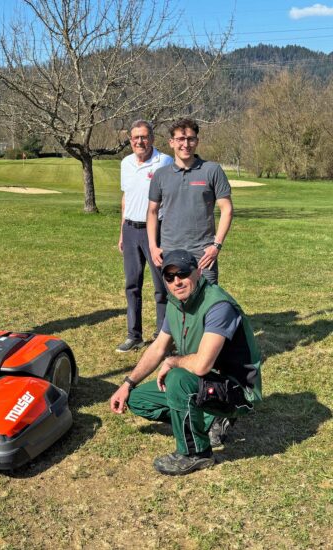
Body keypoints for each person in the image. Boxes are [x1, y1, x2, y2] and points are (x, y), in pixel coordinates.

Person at [109, 249, 262, 476]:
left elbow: (201, 365)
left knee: (178, 379)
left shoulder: (218, 306)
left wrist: (173, 361)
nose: (177, 281)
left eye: (182, 273)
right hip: (203, 383)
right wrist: (127, 384)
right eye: (169, 277)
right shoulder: (176, 304)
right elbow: (158, 347)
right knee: (138, 399)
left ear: (198, 272)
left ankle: (196, 453)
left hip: (237, 390)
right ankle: (209, 419)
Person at [147, 118, 233, 284]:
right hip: (170, 251)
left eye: (190, 139)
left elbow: (227, 210)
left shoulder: (212, 170)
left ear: (197, 141)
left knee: (207, 297)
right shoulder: (160, 175)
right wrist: (153, 246)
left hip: (203, 253)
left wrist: (216, 245)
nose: (186, 144)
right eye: (180, 139)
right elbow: (152, 211)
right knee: (176, 297)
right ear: (171, 142)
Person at [116, 120, 173, 353]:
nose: (140, 141)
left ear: (152, 138)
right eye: (135, 137)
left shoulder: (164, 162)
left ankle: (162, 336)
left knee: (161, 286)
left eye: (144, 137)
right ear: (130, 140)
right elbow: (126, 199)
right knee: (132, 285)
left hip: (155, 230)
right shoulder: (126, 163)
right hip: (131, 230)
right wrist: (122, 231)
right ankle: (134, 335)